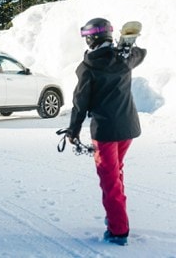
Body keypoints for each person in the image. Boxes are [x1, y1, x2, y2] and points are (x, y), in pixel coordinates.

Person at [66, 17, 146, 246]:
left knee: (110, 182)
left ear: (91, 39)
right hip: (128, 128)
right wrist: (127, 49)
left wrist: (73, 131)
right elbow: (142, 54)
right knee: (116, 174)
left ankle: (118, 230)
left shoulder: (87, 67)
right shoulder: (124, 59)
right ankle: (116, 216)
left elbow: (80, 103)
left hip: (105, 133)